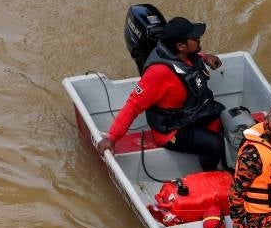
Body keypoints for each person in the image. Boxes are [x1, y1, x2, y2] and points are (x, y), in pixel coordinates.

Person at [97, 16, 226, 171]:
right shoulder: (157, 74)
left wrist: (205, 57)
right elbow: (133, 105)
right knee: (214, 144)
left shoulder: (184, 54)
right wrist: (111, 138)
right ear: (181, 46)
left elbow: (188, 61)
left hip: (191, 116)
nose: (198, 38)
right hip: (172, 131)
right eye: (194, 38)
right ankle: (211, 175)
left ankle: (229, 163)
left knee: (228, 118)